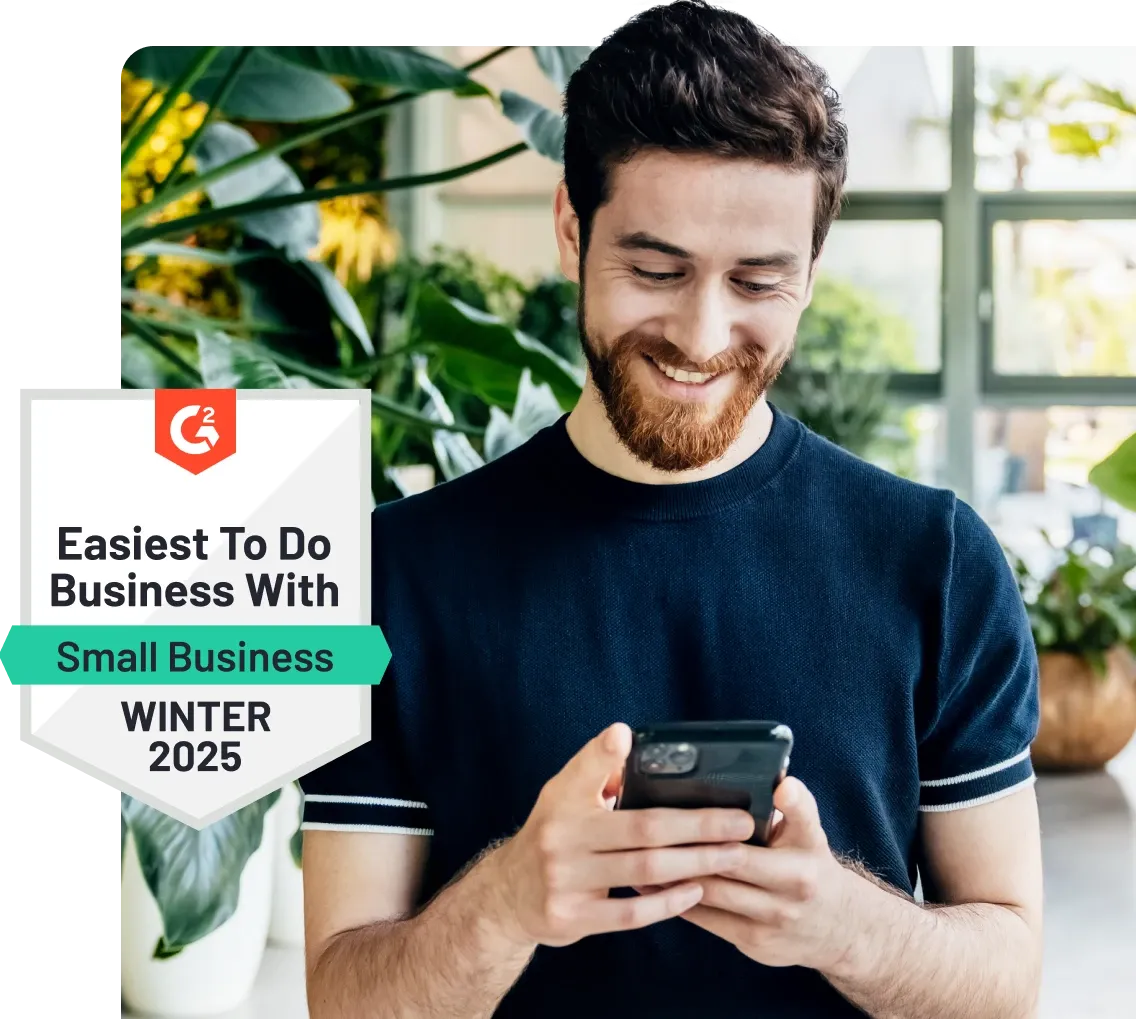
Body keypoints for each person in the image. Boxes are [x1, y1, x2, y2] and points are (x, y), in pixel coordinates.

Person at [298, 3, 1044, 1016]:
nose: (701, 334)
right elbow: (342, 995)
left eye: (757, 281)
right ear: (571, 227)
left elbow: (1005, 979)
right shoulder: (395, 573)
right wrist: (510, 899)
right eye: (654, 270)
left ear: (810, 273)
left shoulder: (934, 562)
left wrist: (838, 921)